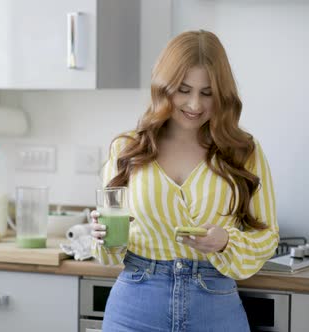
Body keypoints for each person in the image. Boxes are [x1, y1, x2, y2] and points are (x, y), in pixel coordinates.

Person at [90, 30, 279, 332]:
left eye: (207, 93)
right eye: (183, 89)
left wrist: (226, 242)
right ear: (163, 87)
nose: (194, 104)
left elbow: (267, 235)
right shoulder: (126, 148)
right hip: (135, 306)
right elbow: (111, 252)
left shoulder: (244, 152)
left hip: (215, 307)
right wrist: (101, 236)